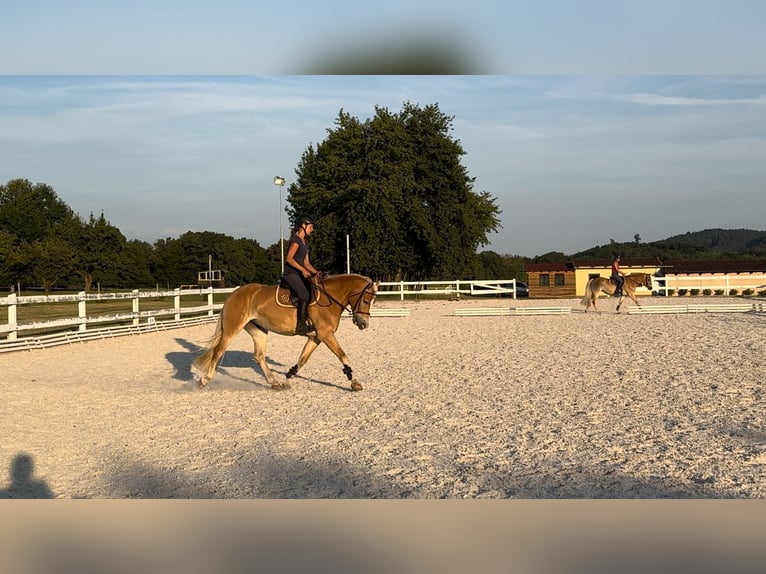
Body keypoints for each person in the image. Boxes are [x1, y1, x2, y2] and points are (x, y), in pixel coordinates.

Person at [282, 214, 321, 335]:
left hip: (299, 274)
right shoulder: (296, 240)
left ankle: (310, 318)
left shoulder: (304, 243)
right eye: (310, 227)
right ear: (303, 226)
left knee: (314, 290)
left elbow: (306, 262)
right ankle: (300, 325)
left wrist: (316, 272)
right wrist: (303, 270)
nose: (312, 229)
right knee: (304, 295)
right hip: (291, 274)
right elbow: (289, 259)